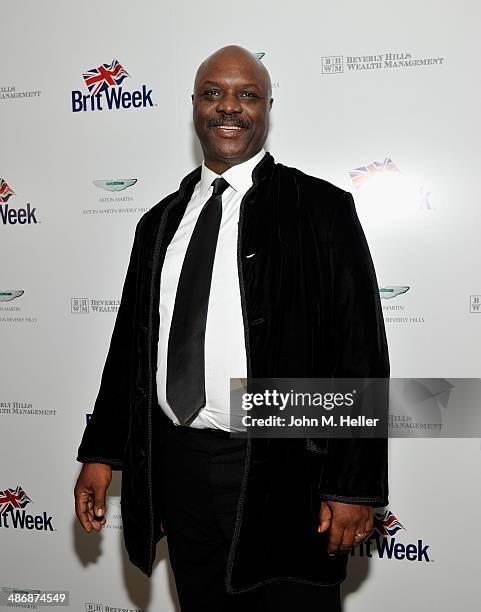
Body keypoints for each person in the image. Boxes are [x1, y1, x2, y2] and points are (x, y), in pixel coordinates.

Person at [74, 45, 389, 612]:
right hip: (178, 467)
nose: (230, 108)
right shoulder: (159, 222)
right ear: (194, 105)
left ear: (268, 107)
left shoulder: (320, 208)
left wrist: (352, 487)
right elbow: (130, 348)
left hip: (284, 473)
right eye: (214, 93)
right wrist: (101, 452)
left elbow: (360, 353)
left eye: (247, 95)